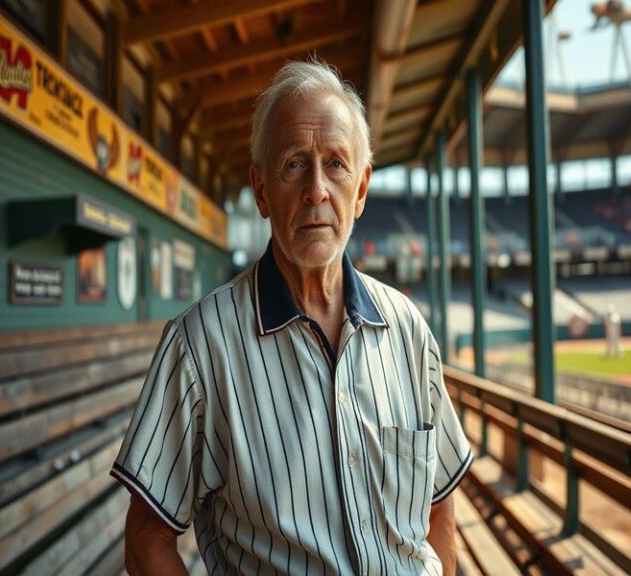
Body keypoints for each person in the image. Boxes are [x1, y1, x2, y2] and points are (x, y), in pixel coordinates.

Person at [111, 59, 473, 575]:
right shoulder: (200, 344)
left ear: (362, 189)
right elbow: (147, 538)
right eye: (295, 164)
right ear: (261, 191)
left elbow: (440, 501)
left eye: (336, 164)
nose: (317, 190)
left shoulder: (408, 328)